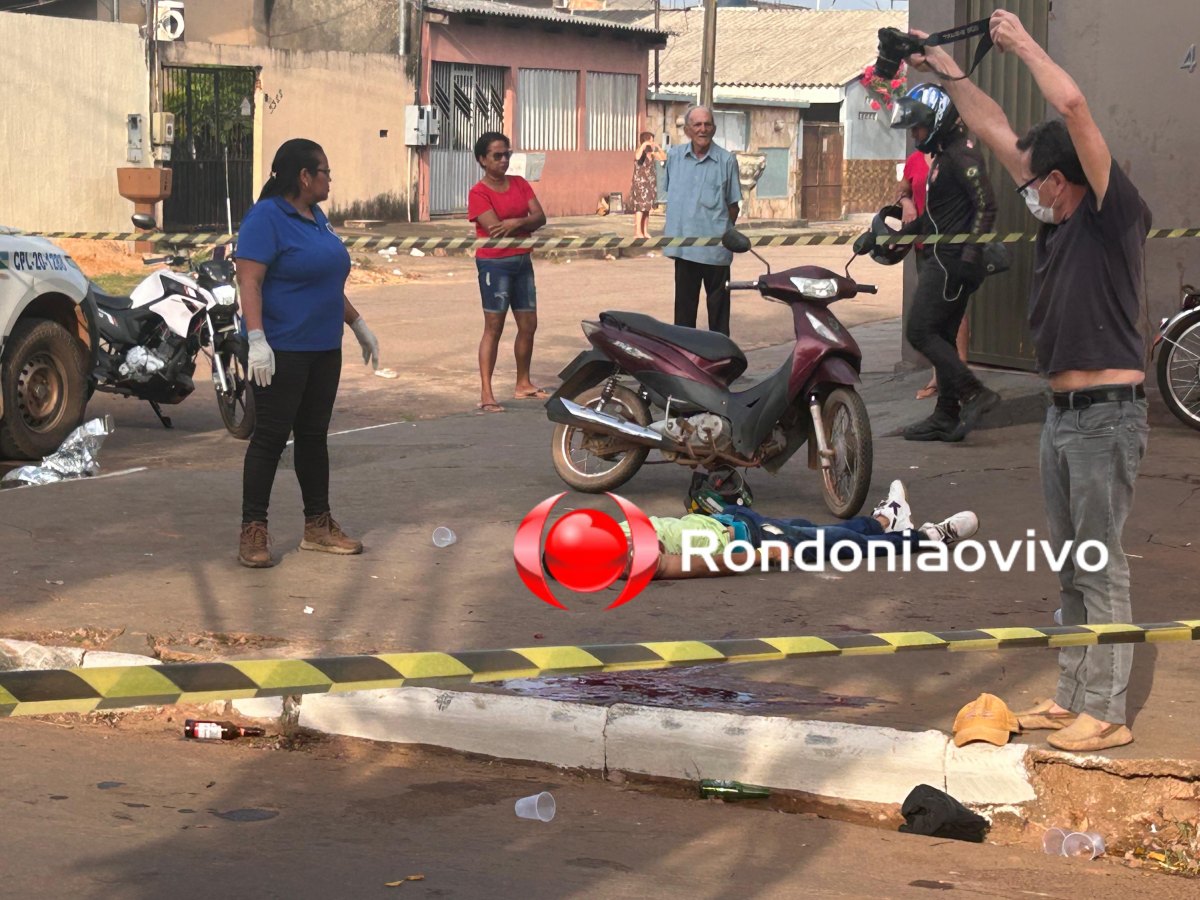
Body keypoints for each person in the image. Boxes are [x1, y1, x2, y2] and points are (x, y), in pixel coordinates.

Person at [906, 10, 1152, 752]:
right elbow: (993, 126)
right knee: (1072, 566)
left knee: (1100, 565)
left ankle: (1107, 712)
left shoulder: (1112, 212)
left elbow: (1071, 105)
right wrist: (944, 67)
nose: (1028, 189)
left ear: (1061, 178)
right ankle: (1074, 694)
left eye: (1037, 179)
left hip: (1107, 416)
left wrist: (1021, 43)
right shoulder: (1056, 219)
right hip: (1062, 415)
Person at [236, 138, 381, 568]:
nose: (329, 180)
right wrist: (257, 339)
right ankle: (253, 529)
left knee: (314, 437)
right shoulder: (266, 218)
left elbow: (325, 282)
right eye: (325, 172)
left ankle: (318, 526)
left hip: (323, 347)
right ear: (304, 176)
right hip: (282, 349)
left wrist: (357, 324)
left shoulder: (317, 218)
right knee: (270, 438)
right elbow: (249, 281)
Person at [890, 84, 999, 442]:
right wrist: (894, 237)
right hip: (943, 257)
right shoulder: (943, 156)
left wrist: (969, 255)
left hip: (951, 263)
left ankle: (974, 392)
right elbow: (934, 219)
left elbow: (987, 205)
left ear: (936, 120)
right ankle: (946, 415)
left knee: (919, 331)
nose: (915, 136)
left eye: (918, 128)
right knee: (944, 337)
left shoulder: (961, 155)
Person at [622, 480, 978, 580]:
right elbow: (687, 565)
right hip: (749, 539)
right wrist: (758, 555)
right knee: (843, 543)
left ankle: (886, 519)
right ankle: (928, 537)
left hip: (732, 521)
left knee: (820, 531)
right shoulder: (623, 558)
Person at [468, 131, 549, 414]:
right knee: (494, 327)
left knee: (528, 324)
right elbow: (494, 229)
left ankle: (523, 382)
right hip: (495, 264)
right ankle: (486, 392)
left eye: (507, 154)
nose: (503, 160)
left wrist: (515, 223)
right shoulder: (479, 193)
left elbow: (541, 217)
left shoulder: (520, 183)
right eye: (497, 156)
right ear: (483, 159)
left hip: (522, 261)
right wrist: (525, 222)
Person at [897, 149, 971, 401]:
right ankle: (939, 376)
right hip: (924, 248)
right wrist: (906, 202)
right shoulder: (915, 159)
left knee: (955, 309)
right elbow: (903, 188)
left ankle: (960, 374)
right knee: (932, 311)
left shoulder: (957, 156)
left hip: (953, 246)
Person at [662, 105, 742, 336]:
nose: (702, 129)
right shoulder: (674, 157)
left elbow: (733, 206)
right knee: (684, 317)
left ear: (714, 129)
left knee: (719, 316)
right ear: (687, 130)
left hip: (716, 252)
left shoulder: (726, 160)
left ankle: (720, 356)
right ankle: (685, 355)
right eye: (697, 124)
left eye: (707, 124)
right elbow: (672, 195)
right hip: (685, 249)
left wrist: (722, 234)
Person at [630, 131, 662, 240]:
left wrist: (658, 148)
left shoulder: (651, 153)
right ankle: (638, 232)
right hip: (640, 185)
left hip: (650, 185)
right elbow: (637, 156)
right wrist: (644, 145)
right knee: (640, 208)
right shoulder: (640, 152)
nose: (652, 142)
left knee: (647, 209)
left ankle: (645, 231)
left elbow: (663, 158)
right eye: (651, 140)